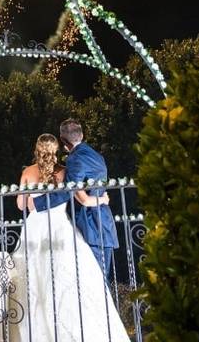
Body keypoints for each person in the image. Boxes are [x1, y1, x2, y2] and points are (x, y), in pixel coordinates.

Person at [9, 133, 130, 342]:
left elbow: (21, 205)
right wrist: (103, 199)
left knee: (33, 279)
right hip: (60, 229)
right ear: (56, 150)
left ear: (37, 149)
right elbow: (84, 200)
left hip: (35, 229)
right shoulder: (64, 173)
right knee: (68, 280)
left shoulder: (28, 172)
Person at [32, 119, 119, 278]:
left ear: (63, 140)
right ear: (82, 134)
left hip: (91, 224)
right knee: (101, 281)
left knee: (95, 280)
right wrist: (103, 199)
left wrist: (38, 203)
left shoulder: (75, 158)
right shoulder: (97, 156)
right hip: (104, 222)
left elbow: (71, 190)